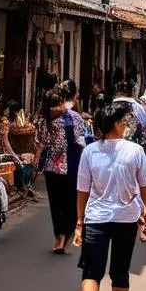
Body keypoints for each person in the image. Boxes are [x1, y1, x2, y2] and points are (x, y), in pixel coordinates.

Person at [71, 102, 146, 291]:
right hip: (126, 218)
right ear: (117, 125)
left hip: (96, 218)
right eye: (122, 121)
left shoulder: (90, 152)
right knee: (120, 274)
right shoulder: (135, 151)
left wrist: (79, 220)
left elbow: (82, 190)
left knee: (91, 272)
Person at [34, 89, 87, 254]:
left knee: (70, 202)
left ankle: (64, 235)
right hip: (54, 167)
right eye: (54, 106)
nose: (57, 109)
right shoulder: (43, 120)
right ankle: (60, 235)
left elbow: (81, 138)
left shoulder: (74, 117)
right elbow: (42, 141)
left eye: (59, 105)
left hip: (72, 164)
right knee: (56, 204)